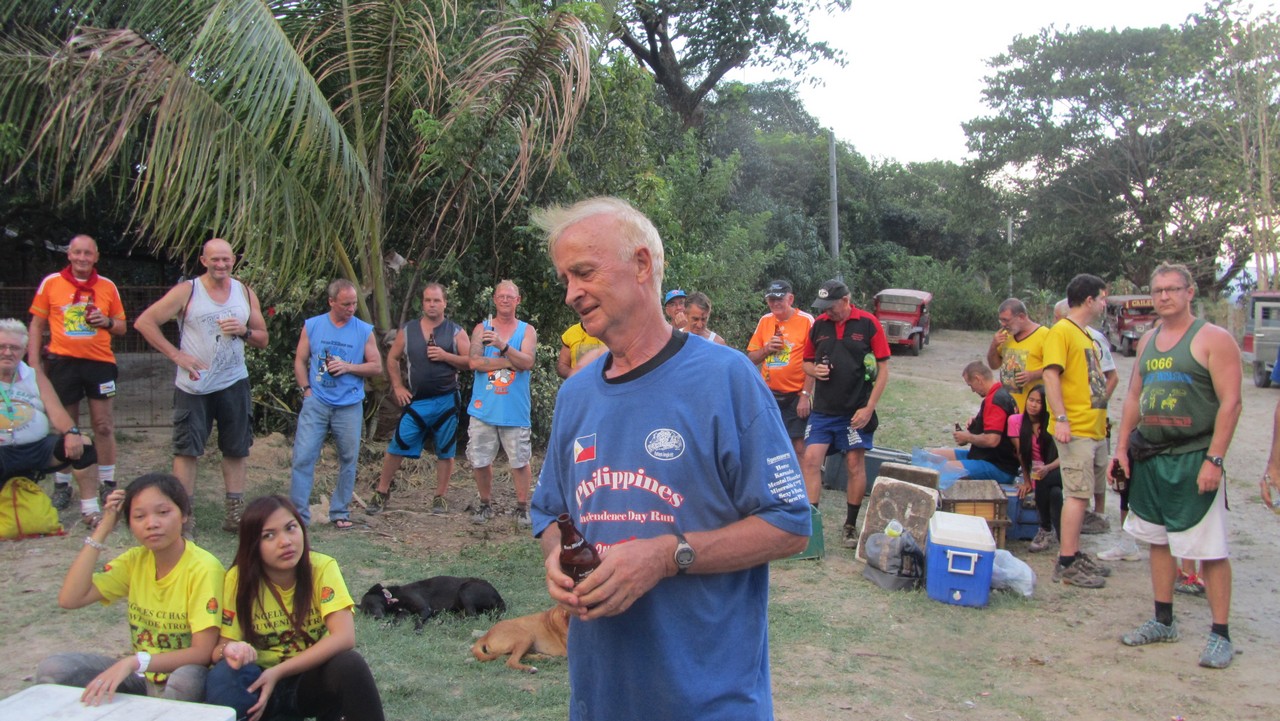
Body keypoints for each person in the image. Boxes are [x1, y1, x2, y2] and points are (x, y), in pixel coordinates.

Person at [529, 196, 809, 721]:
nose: (570, 293)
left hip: (709, 699)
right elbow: (549, 512)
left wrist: (667, 555)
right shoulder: (575, 395)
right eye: (565, 279)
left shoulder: (727, 378)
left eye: (584, 273)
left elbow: (790, 525)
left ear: (641, 265)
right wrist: (556, 559)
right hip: (600, 698)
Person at [1113, 263, 1242, 669]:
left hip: (1194, 456)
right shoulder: (1147, 341)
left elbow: (1231, 403)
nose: (1164, 296)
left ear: (1190, 292)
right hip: (1151, 457)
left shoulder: (1213, 339)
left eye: (1172, 289)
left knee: (1209, 548)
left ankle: (1220, 634)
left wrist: (1214, 459)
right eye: (1158, 290)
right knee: (1158, 539)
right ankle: (1163, 620)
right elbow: (1134, 396)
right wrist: (1121, 448)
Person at [36, 473, 224, 704]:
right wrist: (104, 528)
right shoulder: (135, 561)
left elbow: (202, 653)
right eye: (139, 516)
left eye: (163, 512)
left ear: (184, 514)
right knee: (55, 668)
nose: (152, 524)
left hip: (185, 677)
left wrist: (136, 662)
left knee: (183, 680)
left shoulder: (204, 568)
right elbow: (70, 599)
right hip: (142, 677)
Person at [205, 496, 385, 721]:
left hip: (306, 679)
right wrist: (231, 650)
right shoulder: (239, 579)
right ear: (253, 544)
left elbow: (344, 637)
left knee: (350, 664)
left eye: (291, 528)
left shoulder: (321, 568)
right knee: (225, 674)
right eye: (269, 535)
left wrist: (278, 672)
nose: (285, 542)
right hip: (258, 681)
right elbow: (219, 650)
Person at [134, 239, 269, 534]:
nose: (221, 265)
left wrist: (243, 330)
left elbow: (262, 338)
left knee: (236, 448)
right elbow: (145, 322)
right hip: (194, 387)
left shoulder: (244, 292)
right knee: (187, 450)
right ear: (203, 260)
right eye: (215, 259)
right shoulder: (188, 291)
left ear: (234, 260)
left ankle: (234, 514)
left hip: (233, 382)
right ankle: (184, 516)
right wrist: (176, 355)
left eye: (226, 259)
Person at [27, 234, 126, 525]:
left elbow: (121, 326)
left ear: (96, 257)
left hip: (100, 363)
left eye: (88, 253)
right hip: (63, 363)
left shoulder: (107, 286)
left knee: (103, 425)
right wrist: (33, 362)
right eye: (77, 253)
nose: (82, 258)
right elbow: (37, 324)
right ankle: (62, 485)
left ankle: (107, 482)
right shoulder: (51, 283)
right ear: (69, 255)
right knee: (66, 427)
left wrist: (106, 322)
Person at [800, 279, 891, 548]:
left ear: (846, 300)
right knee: (811, 460)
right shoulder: (819, 325)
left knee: (854, 464)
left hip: (855, 410)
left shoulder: (868, 324)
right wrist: (814, 371)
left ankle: (850, 526)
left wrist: (869, 408)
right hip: (823, 410)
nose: (827, 311)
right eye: (823, 307)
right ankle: (812, 525)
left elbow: (884, 369)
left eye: (831, 306)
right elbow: (806, 362)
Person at [368, 283, 470, 515]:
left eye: (436, 300)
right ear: (422, 303)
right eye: (427, 300)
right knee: (397, 445)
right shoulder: (408, 330)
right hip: (417, 401)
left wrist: (445, 356)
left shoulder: (455, 332)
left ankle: (440, 497)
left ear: (444, 303)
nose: (432, 305)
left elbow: (471, 362)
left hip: (446, 399)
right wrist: (397, 386)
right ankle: (382, 491)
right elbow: (392, 358)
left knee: (446, 450)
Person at [289, 280, 381, 529]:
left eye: (354, 303)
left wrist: (348, 367)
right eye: (346, 304)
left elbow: (376, 366)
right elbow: (300, 360)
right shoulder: (313, 325)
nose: (351, 309)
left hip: (349, 404)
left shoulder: (363, 330)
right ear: (331, 302)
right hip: (317, 402)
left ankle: (340, 511)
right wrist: (306, 390)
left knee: (349, 458)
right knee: (303, 457)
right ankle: (298, 515)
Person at [1041, 274, 1112, 588]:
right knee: (1077, 495)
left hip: (1091, 427)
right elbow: (1050, 375)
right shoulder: (1062, 331)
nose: (1104, 304)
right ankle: (1067, 562)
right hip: (1075, 428)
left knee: (1082, 495)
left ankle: (1073, 551)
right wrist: (1062, 418)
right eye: (1102, 298)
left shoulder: (1085, 335)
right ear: (1089, 300)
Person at [466, 280, 537, 526]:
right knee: (480, 460)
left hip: (515, 409)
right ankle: (485, 504)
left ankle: (522, 507)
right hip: (483, 408)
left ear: (518, 301)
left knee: (520, 461)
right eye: (501, 296)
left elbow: (527, 362)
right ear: (494, 299)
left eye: (510, 296)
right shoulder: (481, 329)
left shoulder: (527, 331)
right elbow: (474, 362)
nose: (505, 300)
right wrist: (509, 361)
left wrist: (502, 346)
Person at [0, 319, 97, 484]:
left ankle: (90, 501)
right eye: (2, 347)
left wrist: (72, 433)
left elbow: (57, 411)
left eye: (14, 348)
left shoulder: (34, 376)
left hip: (36, 449)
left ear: (24, 351)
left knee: (84, 444)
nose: (7, 352)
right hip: (2, 451)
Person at [1054, 298, 1119, 534]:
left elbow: (1112, 377)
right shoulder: (1061, 337)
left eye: (1057, 318)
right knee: (1079, 477)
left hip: (1094, 418)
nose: (1055, 323)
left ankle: (1098, 514)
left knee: (1099, 464)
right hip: (1074, 419)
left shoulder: (1094, 338)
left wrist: (1099, 404)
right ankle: (1083, 515)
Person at [746, 279, 815, 462]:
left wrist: (805, 396)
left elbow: (812, 362)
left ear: (790, 299)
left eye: (779, 299)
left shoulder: (806, 321)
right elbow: (751, 358)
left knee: (799, 446)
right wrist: (767, 349)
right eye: (771, 299)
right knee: (769, 443)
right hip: (768, 394)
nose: (775, 303)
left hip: (796, 395)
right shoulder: (765, 321)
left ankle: (799, 480)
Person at [926, 361, 1019, 484]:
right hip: (985, 456)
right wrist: (977, 423)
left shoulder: (995, 400)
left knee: (940, 470)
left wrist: (968, 437)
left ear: (978, 379)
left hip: (999, 466)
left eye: (971, 385)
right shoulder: (1000, 393)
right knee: (932, 456)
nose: (972, 390)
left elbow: (992, 440)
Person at [1009, 385, 1062, 553]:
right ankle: (1061, 537)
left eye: (1038, 402)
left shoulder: (1052, 424)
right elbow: (1022, 455)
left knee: (1044, 481)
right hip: (1039, 472)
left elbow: (1065, 456)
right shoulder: (1016, 421)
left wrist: (1048, 468)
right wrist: (1026, 481)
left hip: (1059, 468)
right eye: (1031, 400)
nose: (1033, 405)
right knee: (1055, 493)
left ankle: (1046, 529)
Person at [986, 297, 1049, 411]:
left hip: (1033, 408)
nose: (1003, 324)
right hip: (1008, 406)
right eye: (1001, 320)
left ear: (1021, 317)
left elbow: (1055, 368)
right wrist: (994, 345)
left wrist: (1032, 375)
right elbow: (994, 365)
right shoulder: (1005, 335)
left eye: (1006, 320)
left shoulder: (1045, 335)